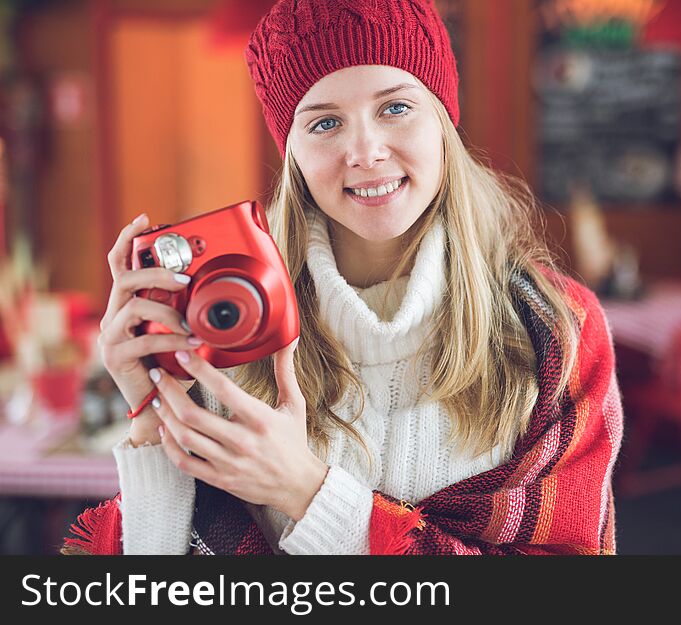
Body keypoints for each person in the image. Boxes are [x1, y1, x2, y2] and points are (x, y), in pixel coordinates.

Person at [64, 0, 623, 556]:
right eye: (325, 123)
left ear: (443, 120)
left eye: (396, 108)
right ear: (293, 155)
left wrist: (308, 495)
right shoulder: (226, 332)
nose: (365, 152)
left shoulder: (556, 330)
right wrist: (154, 417)